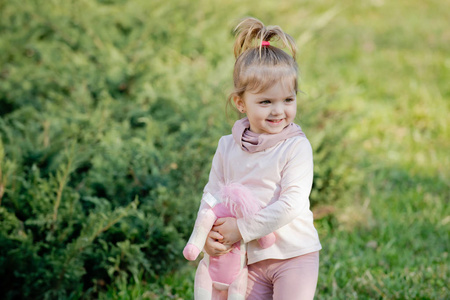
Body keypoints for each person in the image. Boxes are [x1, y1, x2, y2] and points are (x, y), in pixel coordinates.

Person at [200, 17, 322, 299]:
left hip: (294, 256)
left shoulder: (295, 148)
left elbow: (292, 203)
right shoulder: (227, 146)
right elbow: (212, 194)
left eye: (288, 100)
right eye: (266, 102)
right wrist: (208, 234)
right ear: (240, 103)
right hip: (246, 260)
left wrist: (241, 229)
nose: (278, 111)